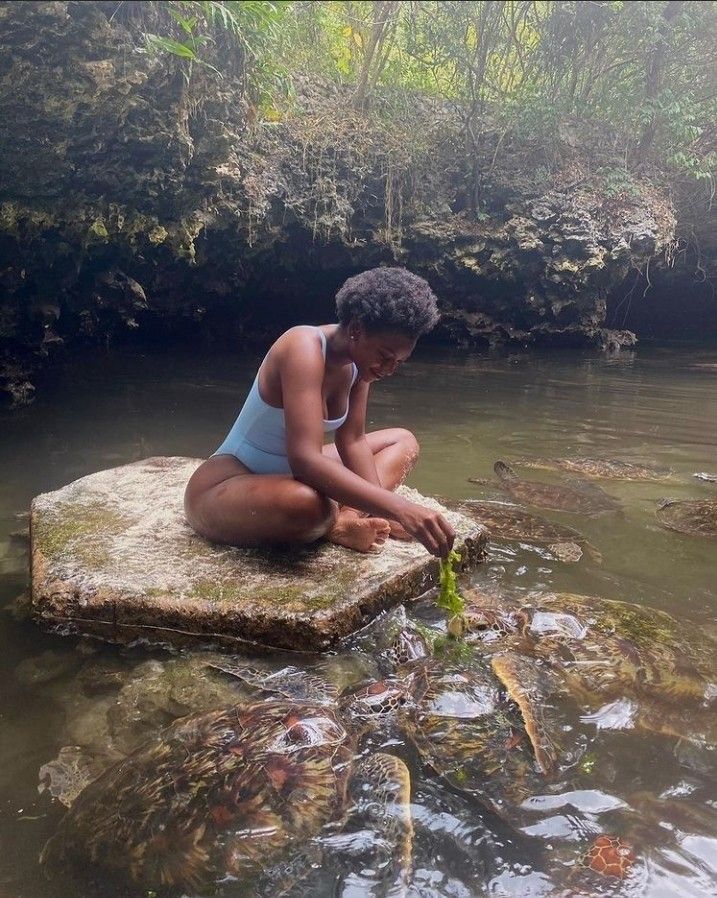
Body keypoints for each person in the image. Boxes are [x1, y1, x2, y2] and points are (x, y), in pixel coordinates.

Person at [184, 267, 455, 558]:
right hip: (227, 485)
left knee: (403, 441)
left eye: (399, 362)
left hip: (290, 478)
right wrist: (399, 507)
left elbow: (352, 441)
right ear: (356, 330)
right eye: (385, 357)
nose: (389, 369)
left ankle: (352, 516)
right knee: (311, 505)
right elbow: (305, 461)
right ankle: (333, 526)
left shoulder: (359, 366)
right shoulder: (303, 345)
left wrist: (384, 508)